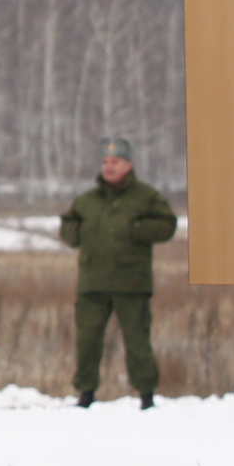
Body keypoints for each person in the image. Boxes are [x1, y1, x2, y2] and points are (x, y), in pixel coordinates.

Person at [61, 136, 179, 409]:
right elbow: (68, 224)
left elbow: (168, 224)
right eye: (105, 161)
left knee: (138, 341)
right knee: (88, 340)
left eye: (115, 161)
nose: (109, 166)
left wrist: (137, 231)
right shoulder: (88, 200)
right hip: (92, 283)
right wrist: (78, 233)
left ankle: (146, 395)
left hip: (132, 283)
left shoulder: (146, 197)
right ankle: (85, 394)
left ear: (129, 165)